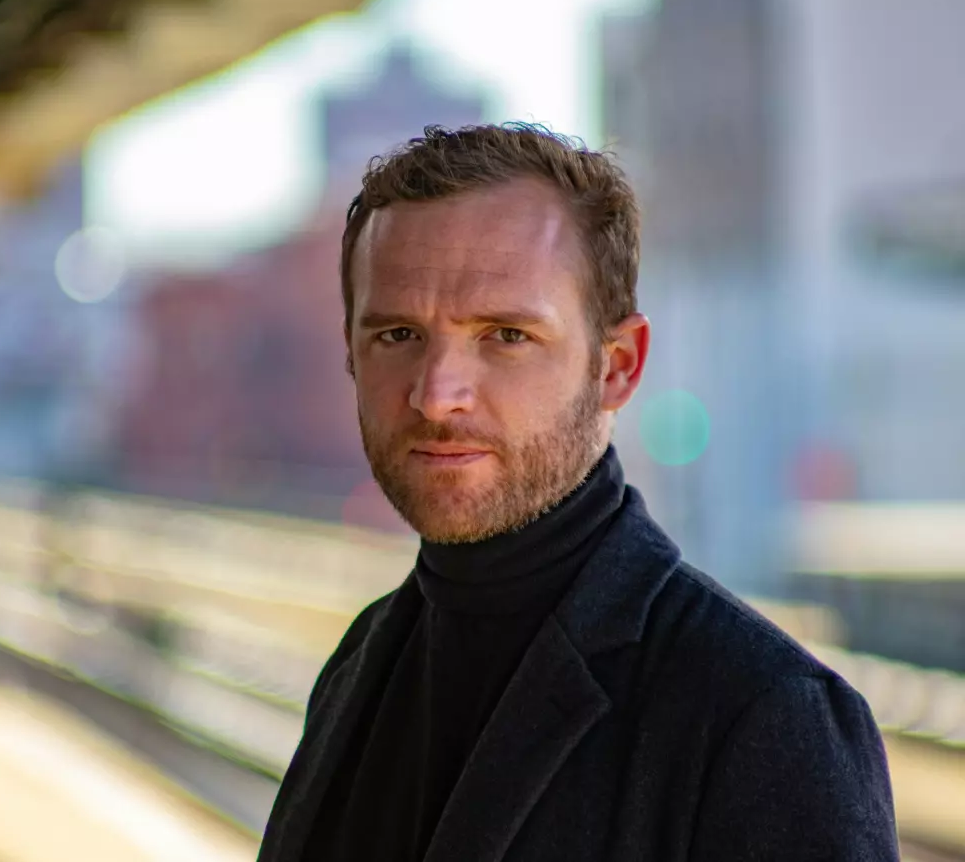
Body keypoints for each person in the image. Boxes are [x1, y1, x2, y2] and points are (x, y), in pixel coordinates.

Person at [257, 124, 899, 861]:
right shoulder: (360, 661)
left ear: (617, 367)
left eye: (505, 335)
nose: (437, 397)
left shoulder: (765, 714)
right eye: (399, 335)